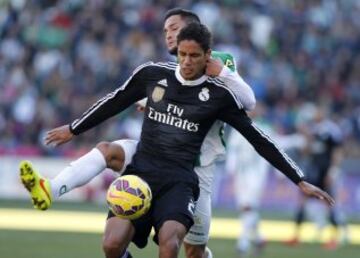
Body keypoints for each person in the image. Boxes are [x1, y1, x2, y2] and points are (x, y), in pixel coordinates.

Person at [20, 23, 334, 258]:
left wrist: (299, 179)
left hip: (179, 180)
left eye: (194, 55)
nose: (186, 61)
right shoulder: (152, 74)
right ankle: (54, 190)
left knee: (170, 247)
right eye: (182, 54)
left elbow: (259, 138)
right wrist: (74, 128)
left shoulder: (219, 96)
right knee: (111, 245)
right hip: (140, 172)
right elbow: (114, 101)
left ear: (208, 56)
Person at [225, 102, 306, 256]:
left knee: (248, 206)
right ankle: (259, 238)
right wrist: (231, 169)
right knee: (245, 207)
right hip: (241, 174)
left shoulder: (265, 128)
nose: (253, 111)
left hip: (257, 174)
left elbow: (277, 147)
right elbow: (233, 150)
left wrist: (297, 140)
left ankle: (242, 243)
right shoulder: (239, 128)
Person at [284, 106, 348, 249]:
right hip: (313, 171)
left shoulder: (332, 129)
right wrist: (306, 138)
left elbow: (337, 152)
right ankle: (296, 236)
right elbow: (307, 151)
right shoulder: (312, 129)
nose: (316, 114)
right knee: (302, 200)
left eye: (318, 111)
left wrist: (333, 171)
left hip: (326, 172)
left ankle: (334, 238)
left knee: (329, 202)